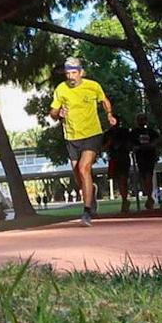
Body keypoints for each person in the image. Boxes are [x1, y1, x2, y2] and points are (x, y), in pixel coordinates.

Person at [49, 58, 115, 226]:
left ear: (81, 73)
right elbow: (53, 112)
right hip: (71, 136)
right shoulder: (61, 89)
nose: (71, 77)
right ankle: (90, 194)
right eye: (68, 73)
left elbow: (104, 101)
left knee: (83, 168)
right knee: (78, 175)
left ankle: (86, 212)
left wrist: (109, 115)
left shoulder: (93, 86)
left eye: (74, 73)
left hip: (92, 134)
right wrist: (59, 114)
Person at [104, 116, 137, 213]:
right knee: (118, 180)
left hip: (123, 157)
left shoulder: (125, 132)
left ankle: (124, 200)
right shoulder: (108, 133)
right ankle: (124, 199)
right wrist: (109, 143)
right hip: (113, 158)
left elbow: (130, 144)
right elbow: (103, 147)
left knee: (123, 179)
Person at [131, 115, 162, 211]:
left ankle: (150, 197)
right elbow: (131, 143)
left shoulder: (151, 131)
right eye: (139, 120)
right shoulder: (134, 132)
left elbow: (158, 139)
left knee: (149, 175)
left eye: (143, 120)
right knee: (143, 177)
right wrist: (135, 147)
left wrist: (153, 145)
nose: (141, 122)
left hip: (149, 156)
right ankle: (148, 196)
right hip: (140, 157)